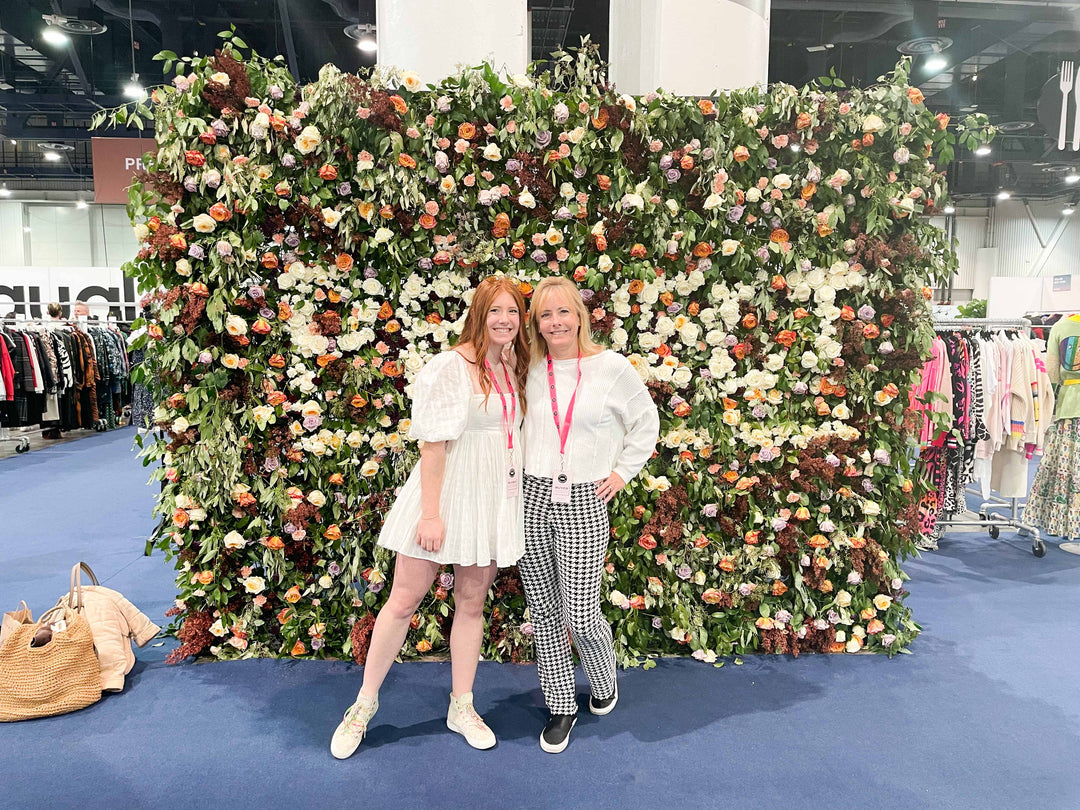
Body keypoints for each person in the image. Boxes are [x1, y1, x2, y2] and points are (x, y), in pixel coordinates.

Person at [331, 275, 530, 759]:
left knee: (471, 605)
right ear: (479, 314)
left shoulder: (512, 366)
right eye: (495, 312)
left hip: (490, 502)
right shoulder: (450, 366)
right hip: (442, 499)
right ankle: (361, 707)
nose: (505, 321)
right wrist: (432, 514)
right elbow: (433, 445)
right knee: (402, 602)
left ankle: (461, 705)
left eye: (513, 313)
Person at [519, 276, 660, 754]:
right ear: (535, 325)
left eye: (563, 312)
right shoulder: (528, 367)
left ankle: (604, 677)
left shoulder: (612, 368)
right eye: (544, 315)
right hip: (531, 496)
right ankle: (561, 704)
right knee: (544, 611)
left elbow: (646, 423)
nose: (555, 322)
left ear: (579, 315)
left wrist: (622, 472)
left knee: (579, 612)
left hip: (583, 498)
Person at [1024, 313, 1080, 540]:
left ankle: (1062, 522)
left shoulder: (1062, 326)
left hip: (1070, 406)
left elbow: (1053, 373)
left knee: (1065, 468)